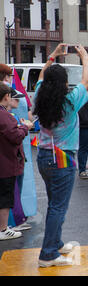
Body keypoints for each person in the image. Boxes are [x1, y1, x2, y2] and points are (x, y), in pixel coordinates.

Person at [33, 44, 88, 267]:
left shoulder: (40, 95)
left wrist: (52, 56)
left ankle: (54, 242)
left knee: (54, 204)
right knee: (58, 206)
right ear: (64, 82)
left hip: (44, 157)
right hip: (62, 158)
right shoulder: (69, 101)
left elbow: (39, 76)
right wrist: (84, 58)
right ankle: (47, 254)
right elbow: (85, 82)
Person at [0, 84, 33, 241]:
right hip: (5, 163)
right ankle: (3, 229)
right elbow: (15, 136)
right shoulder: (4, 115)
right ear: (6, 96)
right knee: (5, 197)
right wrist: (25, 128)